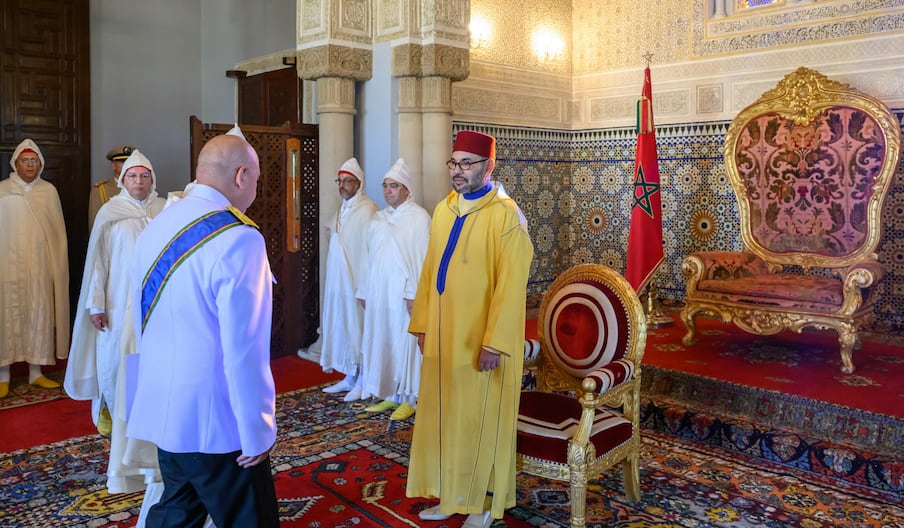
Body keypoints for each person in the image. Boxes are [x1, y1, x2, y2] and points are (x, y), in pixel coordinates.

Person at [126, 131, 279, 527]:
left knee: (178, 509)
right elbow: (244, 348)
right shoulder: (239, 237)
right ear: (242, 176)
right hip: (217, 419)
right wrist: (256, 429)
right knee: (251, 518)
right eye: (257, 180)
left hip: (163, 404)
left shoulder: (158, 224)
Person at [406, 130, 534, 528]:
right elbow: (430, 272)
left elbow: (512, 286)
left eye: (466, 164)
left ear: (489, 166)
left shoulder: (506, 216)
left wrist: (495, 341)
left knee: (480, 420)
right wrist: (424, 323)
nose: (457, 172)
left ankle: (483, 505)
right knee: (447, 417)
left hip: (481, 341)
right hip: (444, 337)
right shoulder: (445, 209)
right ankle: (452, 494)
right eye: (454, 163)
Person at [64, 150, 165, 471]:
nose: (138, 181)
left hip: (155, 303)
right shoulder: (111, 212)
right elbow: (98, 262)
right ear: (123, 179)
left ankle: (149, 414)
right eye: (133, 176)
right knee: (116, 359)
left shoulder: (165, 210)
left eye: (144, 176)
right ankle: (113, 413)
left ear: (152, 179)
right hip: (116, 301)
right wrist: (96, 303)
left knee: (151, 357)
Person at [356, 158, 430, 420]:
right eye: (385, 186)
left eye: (394, 186)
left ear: (407, 189)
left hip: (403, 297)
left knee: (404, 344)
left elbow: (421, 261)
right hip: (379, 294)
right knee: (383, 342)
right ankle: (391, 395)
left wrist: (413, 295)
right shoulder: (379, 219)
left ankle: (410, 397)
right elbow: (368, 258)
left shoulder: (418, 218)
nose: (388, 191)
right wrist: (364, 290)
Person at [0, 139, 69, 399]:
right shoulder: (3, 190)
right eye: (24, 160)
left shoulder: (48, 191)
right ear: (15, 164)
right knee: (6, 315)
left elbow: (57, 235)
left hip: (39, 267)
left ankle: (36, 371)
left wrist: (56, 268)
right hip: (6, 266)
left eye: (34, 160)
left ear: (40, 163)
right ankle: (3, 374)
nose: (30, 165)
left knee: (39, 313)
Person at [319, 158, 377, 402]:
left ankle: (364, 379)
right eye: (340, 181)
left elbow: (368, 252)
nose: (342, 186)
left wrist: (365, 287)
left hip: (357, 282)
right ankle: (350, 376)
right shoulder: (343, 208)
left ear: (359, 183)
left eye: (347, 181)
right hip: (338, 281)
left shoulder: (368, 210)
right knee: (342, 325)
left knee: (359, 328)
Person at [89, 145, 136, 230]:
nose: (127, 165)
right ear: (113, 165)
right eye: (123, 161)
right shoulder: (100, 190)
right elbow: (95, 227)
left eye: (131, 161)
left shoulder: (142, 188)